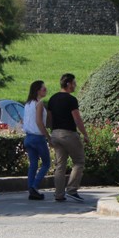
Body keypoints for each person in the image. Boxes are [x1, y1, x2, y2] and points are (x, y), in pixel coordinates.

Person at [47, 73, 90, 203]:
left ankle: (59, 194)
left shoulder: (52, 99)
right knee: (79, 161)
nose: (75, 85)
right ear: (68, 84)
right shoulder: (71, 100)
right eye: (74, 83)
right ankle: (72, 189)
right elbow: (77, 118)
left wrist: (51, 132)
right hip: (68, 134)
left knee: (60, 165)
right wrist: (85, 134)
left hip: (55, 133)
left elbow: (49, 118)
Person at [23, 80, 51, 200]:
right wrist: (48, 137)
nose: (46, 90)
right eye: (44, 89)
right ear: (38, 91)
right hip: (38, 137)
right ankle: (34, 186)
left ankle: (31, 189)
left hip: (28, 137)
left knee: (33, 164)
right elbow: (39, 122)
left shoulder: (27, 104)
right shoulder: (39, 104)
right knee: (46, 163)